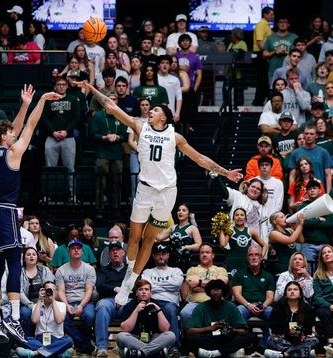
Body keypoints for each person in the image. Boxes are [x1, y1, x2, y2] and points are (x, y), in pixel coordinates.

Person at [78, 80, 242, 305]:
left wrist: (225, 173)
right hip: (145, 190)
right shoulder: (140, 126)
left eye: (154, 110)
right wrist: (91, 88)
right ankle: (129, 277)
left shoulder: (175, 137)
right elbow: (111, 107)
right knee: (134, 237)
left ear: (163, 117)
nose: (150, 111)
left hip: (166, 193)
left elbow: (200, 158)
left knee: (149, 239)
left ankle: (130, 281)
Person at [0, 86, 62, 346]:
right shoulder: (14, 153)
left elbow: (14, 129)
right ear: (5, 137)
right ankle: (14, 317)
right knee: (15, 263)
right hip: (5, 211)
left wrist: (24, 104)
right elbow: (29, 127)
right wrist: (40, 102)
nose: (13, 134)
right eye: (9, 133)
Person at [186, 279, 253, 358]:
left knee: (247, 337)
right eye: (212, 290)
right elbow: (190, 331)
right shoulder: (201, 307)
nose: (215, 293)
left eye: (218, 290)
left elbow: (244, 330)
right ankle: (228, 352)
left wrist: (234, 330)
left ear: (223, 292)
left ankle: (215, 353)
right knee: (194, 339)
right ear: (208, 292)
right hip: (209, 338)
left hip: (227, 338)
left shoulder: (231, 306)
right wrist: (210, 328)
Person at [140, 243, 185, 357]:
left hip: (170, 303)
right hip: (152, 301)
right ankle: (144, 346)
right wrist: (165, 286)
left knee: (170, 310)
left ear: (168, 255)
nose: (161, 256)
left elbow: (176, 285)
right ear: (153, 256)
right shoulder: (147, 272)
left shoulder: (176, 271)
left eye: (163, 254)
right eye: (158, 254)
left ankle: (174, 348)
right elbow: (147, 287)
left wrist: (155, 285)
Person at [116, 279, 177, 358]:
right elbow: (125, 329)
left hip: (154, 339)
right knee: (121, 336)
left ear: (150, 293)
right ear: (137, 293)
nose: (144, 292)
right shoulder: (129, 306)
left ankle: (138, 353)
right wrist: (136, 311)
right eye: (140, 289)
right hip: (135, 338)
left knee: (171, 335)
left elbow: (165, 329)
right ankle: (155, 353)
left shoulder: (157, 305)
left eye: (146, 289)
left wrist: (158, 310)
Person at [263, 280, 318, 358]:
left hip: (300, 340)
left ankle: (284, 355)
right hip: (283, 338)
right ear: (286, 293)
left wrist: (301, 332)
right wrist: (287, 331)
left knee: (314, 340)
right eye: (289, 290)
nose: (292, 292)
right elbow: (273, 326)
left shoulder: (307, 308)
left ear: (300, 293)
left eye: (295, 289)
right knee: (271, 339)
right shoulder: (278, 307)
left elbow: (310, 327)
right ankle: (304, 353)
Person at [180, 243, 229, 329]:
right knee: (185, 313)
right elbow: (192, 284)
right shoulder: (192, 270)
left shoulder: (220, 270)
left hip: (216, 303)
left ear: (213, 255)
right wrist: (214, 286)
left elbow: (222, 284)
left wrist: (199, 282)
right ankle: (190, 336)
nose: (204, 255)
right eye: (202, 252)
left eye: (207, 252)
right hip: (195, 303)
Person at [94, 242, 128, 358]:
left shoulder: (130, 270)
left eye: (117, 250)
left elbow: (136, 286)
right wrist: (115, 289)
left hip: (127, 300)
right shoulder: (103, 270)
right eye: (112, 250)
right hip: (109, 301)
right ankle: (102, 347)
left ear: (123, 253)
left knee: (134, 307)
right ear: (108, 255)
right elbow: (100, 286)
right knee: (102, 306)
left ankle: (126, 346)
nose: (115, 252)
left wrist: (122, 294)